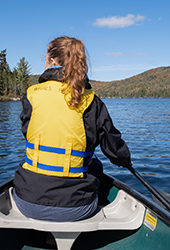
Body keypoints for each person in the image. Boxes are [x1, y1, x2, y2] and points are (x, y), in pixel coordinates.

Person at [13, 36, 132, 222]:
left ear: (52, 60)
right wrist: (125, 160)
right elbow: (113, 146)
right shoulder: (92, 101)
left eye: (45, 58)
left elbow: (27, 133)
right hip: (76, 208)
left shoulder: (31, 96)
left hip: (27, 202)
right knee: (95, 165)